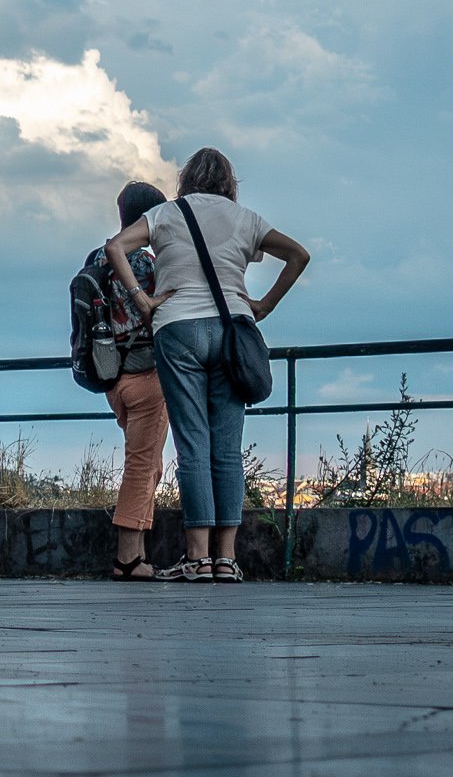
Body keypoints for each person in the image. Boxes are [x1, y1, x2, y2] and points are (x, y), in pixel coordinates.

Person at [106, 147, 310, 583]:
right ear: (230, 184)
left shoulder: (165, 214)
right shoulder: (246, 219)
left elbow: (115, 247)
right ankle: (227, 559)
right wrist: (263, 305)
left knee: (193, 445)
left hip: (177, 329)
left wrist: (143, 300)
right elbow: (299, 255)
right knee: (227, 447)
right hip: (233, 329)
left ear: (185, 181)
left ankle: (197, 558)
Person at [95, 184, 169, 581]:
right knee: (141, 466)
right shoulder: (147, 264)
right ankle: (126, 556)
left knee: (149, 464)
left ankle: (138, 553)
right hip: (148, 375)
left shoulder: (97, 259)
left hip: (112, 377)